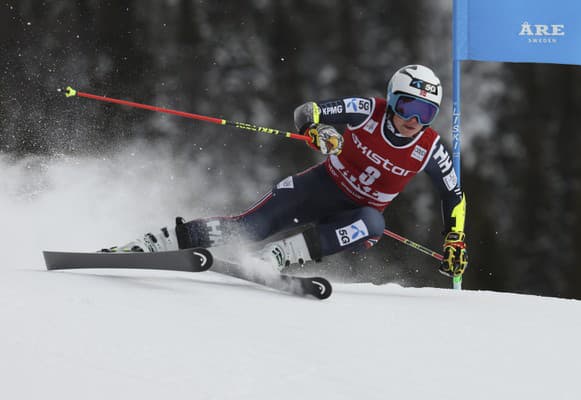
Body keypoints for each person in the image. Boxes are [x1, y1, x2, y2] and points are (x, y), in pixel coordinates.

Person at [106, 64, 468, 279]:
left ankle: (277, 257)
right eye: (407, 107)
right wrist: (317, 129)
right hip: (321, 187)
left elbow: (454, 195)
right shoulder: (366, 111)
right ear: (392, 100)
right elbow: (307, 110)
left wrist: (455, 240)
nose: (413, 120)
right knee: (249, 227)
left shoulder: (431, 149)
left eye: (426, 113)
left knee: (373, 224)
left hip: (354, 217)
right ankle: (155, 242)